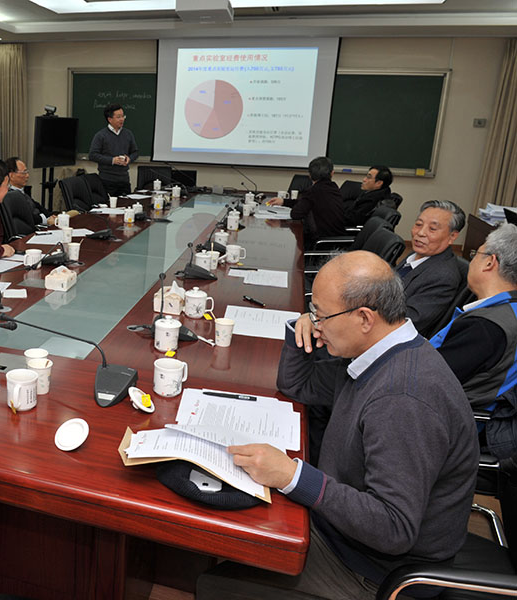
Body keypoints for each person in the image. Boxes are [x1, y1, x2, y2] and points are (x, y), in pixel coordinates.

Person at [198, 251, 478, 600]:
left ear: (364, 318)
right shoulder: (377, 352)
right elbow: (298, 385)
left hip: (373, 572)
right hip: (342, 532)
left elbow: (394, 527)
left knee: (214, 584)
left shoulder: (402, 398)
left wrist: (293, 476)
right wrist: (300, 332)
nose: (316, 323)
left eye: (321, 314)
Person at [429, 223, 517, 457]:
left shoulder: (486, 327)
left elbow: (427, 380)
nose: (471, 260)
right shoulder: (506, 311)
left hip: (452, 425)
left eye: (476, 254)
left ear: (490, 262)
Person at [396, 199, 465, 337]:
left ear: (452, 236)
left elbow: (409, 321)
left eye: (432, 229)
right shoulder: (415, 255)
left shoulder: (443, 277)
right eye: (418, 224)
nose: (420, 233)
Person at [267, 156, 346, 244]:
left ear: (310, 175)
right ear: (332, 173)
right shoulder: (334, 188)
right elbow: (307, 203)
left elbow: (295, 214)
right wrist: (284, 202)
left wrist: (281, 224)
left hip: (322, 243)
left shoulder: (313, 191)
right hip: (338, 240)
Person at [88, 103, 139, 197]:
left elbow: (135, 152)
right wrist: (112, 160)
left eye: (123, 116)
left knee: (126, 204)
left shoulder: (128, 134)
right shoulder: (101, 135)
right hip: (107, 181)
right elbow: (92, 155)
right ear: (110, 119)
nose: (122, 119)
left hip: (124, 180)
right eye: (118, 117)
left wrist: (129, 159)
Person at [2, 156, 55, 236]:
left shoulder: (21, 191)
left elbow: (37, 206)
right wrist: (46, 220)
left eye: (27, 172)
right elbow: (29, 217)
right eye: (24, 172)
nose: (27, 175)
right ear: (11, 175)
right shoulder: (10, 196)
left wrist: (50, 216)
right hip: (29, 234)